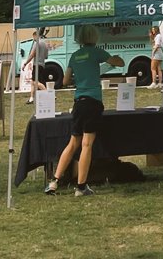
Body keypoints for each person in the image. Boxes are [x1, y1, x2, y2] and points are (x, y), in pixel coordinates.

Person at [45, 25, 123, 198]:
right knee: (87, 144)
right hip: (93, 102)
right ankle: (81, 187)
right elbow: (119, 63)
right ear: (95, 38)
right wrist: (115, 58)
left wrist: (79, 76)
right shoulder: (96, 52)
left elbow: (65, 80)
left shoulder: (74, 56)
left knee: (73, 143)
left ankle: (54, 181)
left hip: (78, 103)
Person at [23, 29, 50, 103]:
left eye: (33, 37)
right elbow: (46, 57)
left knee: (35, 82)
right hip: (42, 65)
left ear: (35, 35)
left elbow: (32, 55)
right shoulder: (45, 44)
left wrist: (25, 64)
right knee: (33, 82)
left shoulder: (37, 43)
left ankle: (49, 94)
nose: (33, 39)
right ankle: (31, 98)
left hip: (36, 65)